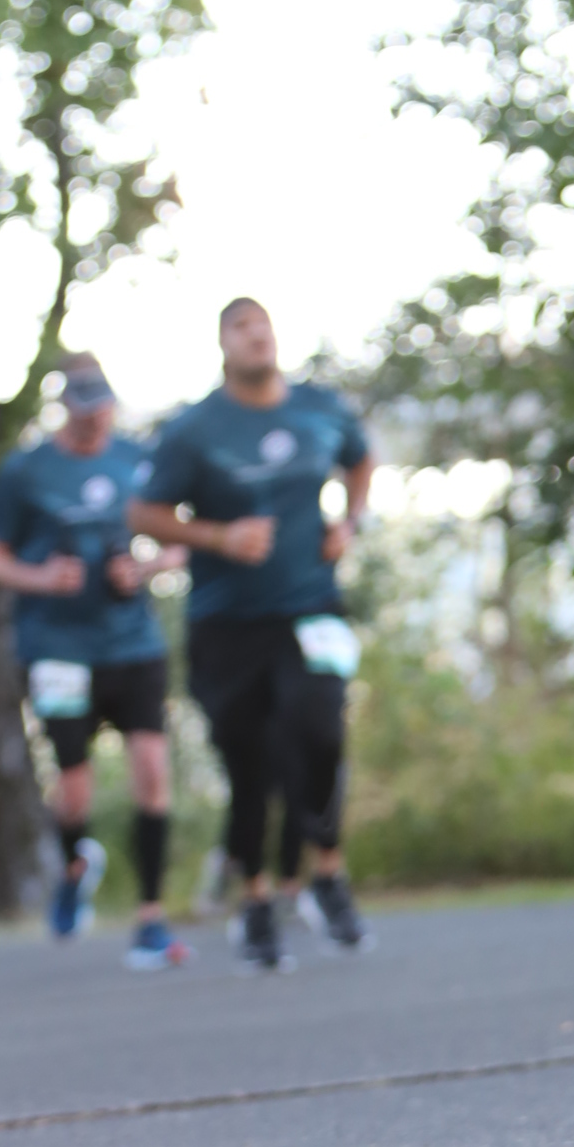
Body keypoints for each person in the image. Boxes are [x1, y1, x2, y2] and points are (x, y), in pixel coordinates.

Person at [131, 299, 376, 971]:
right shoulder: (194, 430)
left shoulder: (320, 408)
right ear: (223, 345)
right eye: (240, 327)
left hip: (310, 607)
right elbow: (143, 513)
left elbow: (361, 461)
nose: (256, 334)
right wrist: (217, 536)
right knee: (251, 768)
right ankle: (257, 900)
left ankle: (327, 872)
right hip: (226, 622)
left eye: (262, 323)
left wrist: (351, 522)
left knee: (319, 731)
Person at [0, 357, 190, 969]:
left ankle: (150, 916)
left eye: (104, 407)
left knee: (153, 770)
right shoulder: (26, 471)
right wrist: (41, 577)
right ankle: (75, 863)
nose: (96, 419)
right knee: (72, 792)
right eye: (85, 407)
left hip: (133, 644)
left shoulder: (137, 459)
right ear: (65, 407)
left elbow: (179, 542)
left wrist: (145, 567)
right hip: (57, 649)